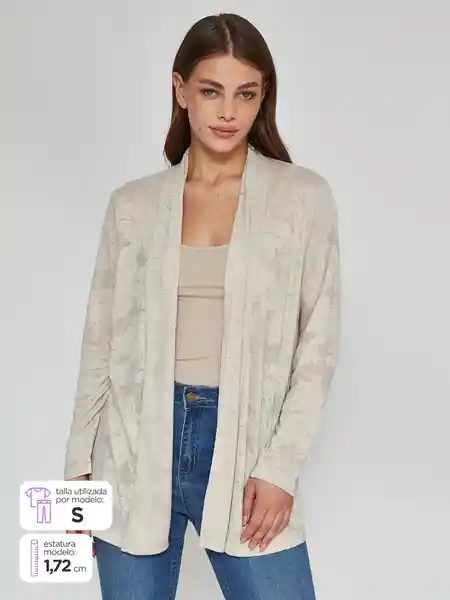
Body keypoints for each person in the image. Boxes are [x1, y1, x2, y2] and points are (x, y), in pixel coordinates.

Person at [64, 12, 341, 600]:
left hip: (246, 448)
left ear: (263, 97)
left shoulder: (302, 198)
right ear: (180, 89)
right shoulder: (133, 206)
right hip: (132, 447)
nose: (228, 112)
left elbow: (318, 347)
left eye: (246, 94)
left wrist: (280, 467)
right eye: (211, 91)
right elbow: (100, 345)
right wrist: (77, 475)